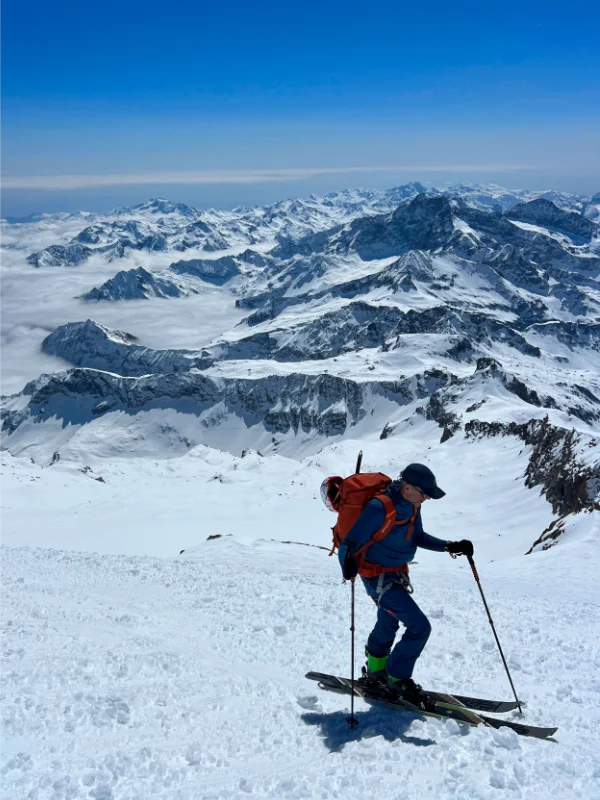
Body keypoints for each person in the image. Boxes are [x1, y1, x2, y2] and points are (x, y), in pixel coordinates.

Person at [337, 463, 473, 709]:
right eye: (425, 493)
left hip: (396, 573)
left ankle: (376, 671)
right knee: (420, 627)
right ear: (407, 487)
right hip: (377, 578)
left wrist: (449, 546)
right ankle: (397, 678)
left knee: (388, 621)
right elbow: (350, 542)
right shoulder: (379, 508)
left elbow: (417, 536)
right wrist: (346, 566)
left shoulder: (412, 505)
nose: (427, 498)